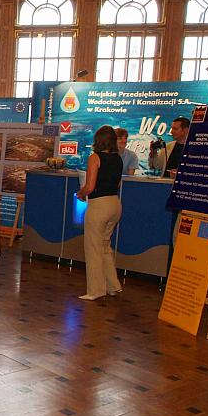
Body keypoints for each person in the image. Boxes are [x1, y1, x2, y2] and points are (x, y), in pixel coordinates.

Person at [76, 125, 123, 301]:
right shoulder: (118, 158)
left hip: (99, 206)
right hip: (115, 204)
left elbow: (90, 186)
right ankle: (113, 285)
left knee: (93, 248)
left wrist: (79, 194)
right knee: (105, 246)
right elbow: (117, 184)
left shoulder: (94, 158)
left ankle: (95, 290)